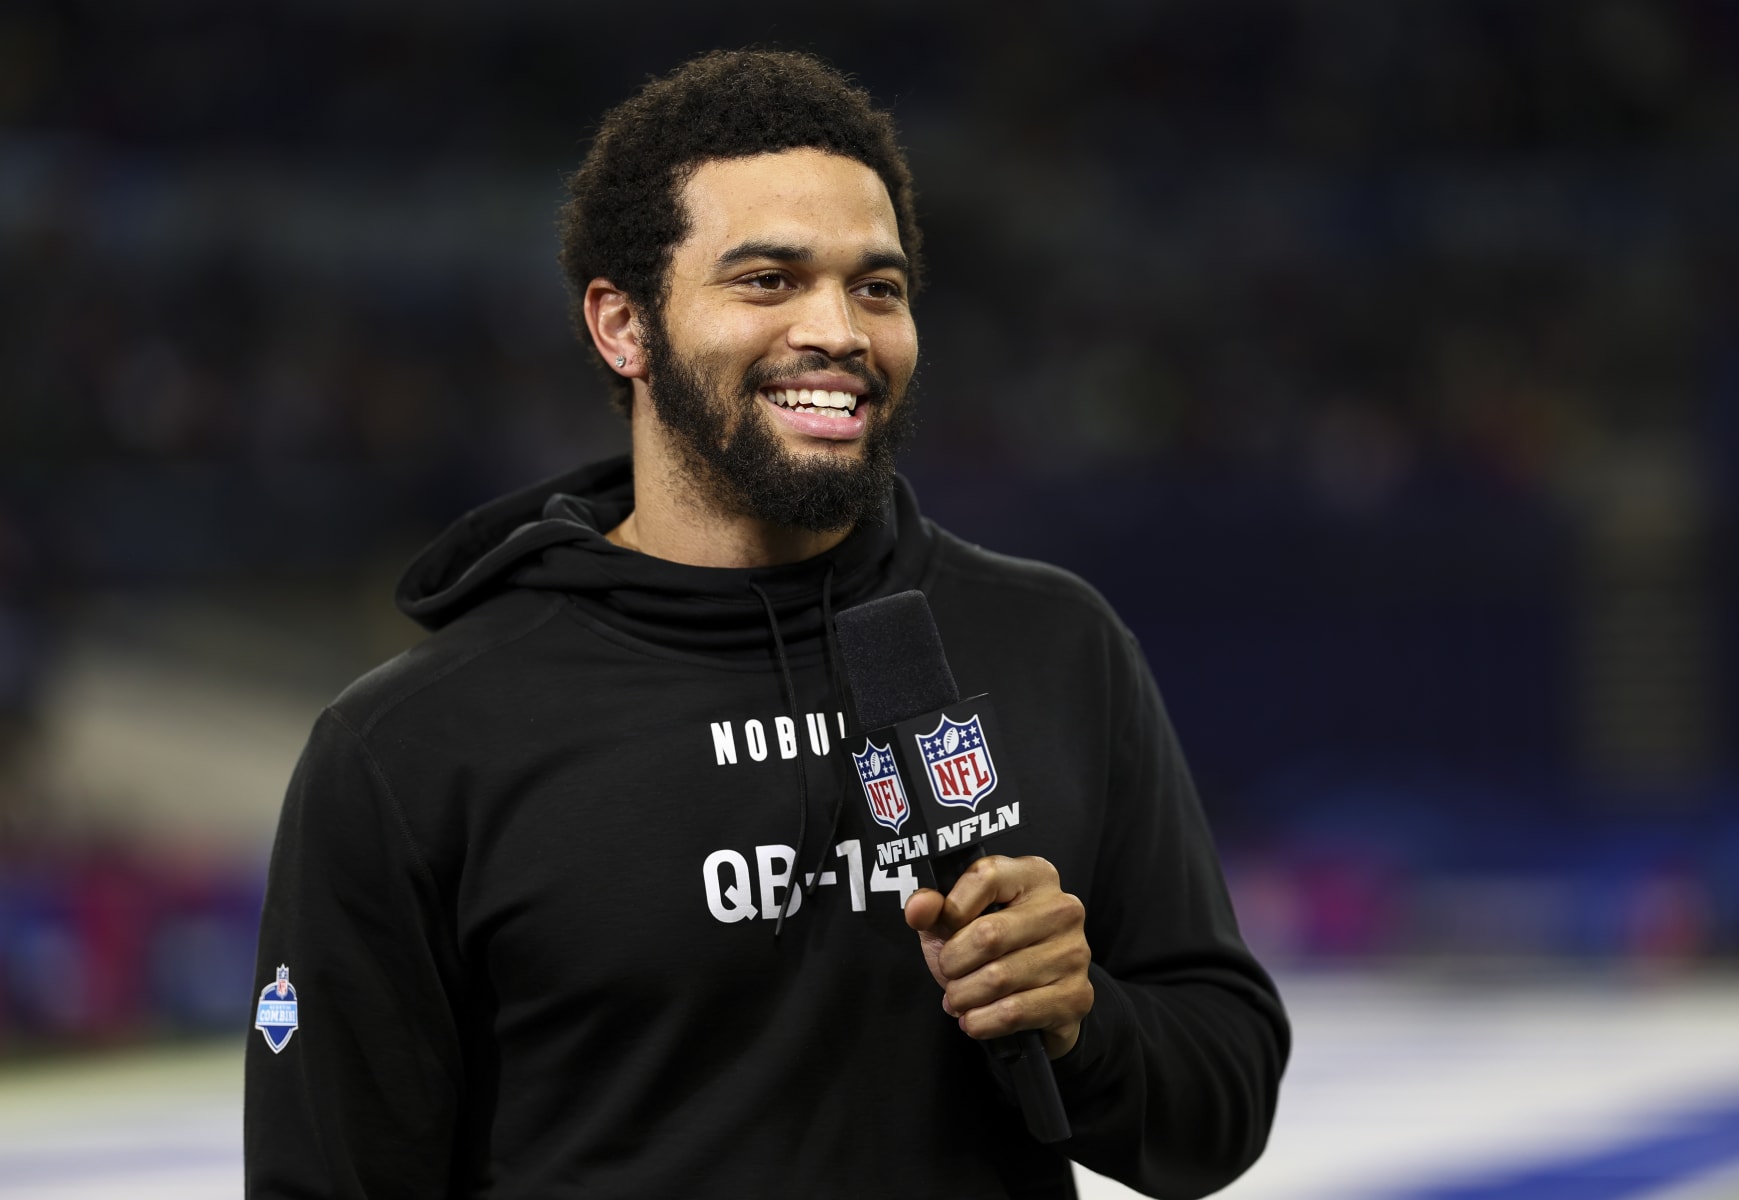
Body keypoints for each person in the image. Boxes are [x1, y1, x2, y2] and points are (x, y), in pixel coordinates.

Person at [245, 48, 1288, 1199]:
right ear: (623, 326)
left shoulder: (1054, 644)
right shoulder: (416, 745)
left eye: (877, 288)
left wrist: (1084, 1024)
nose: (838, 328)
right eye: (768, 280)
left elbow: (1224, 1102)